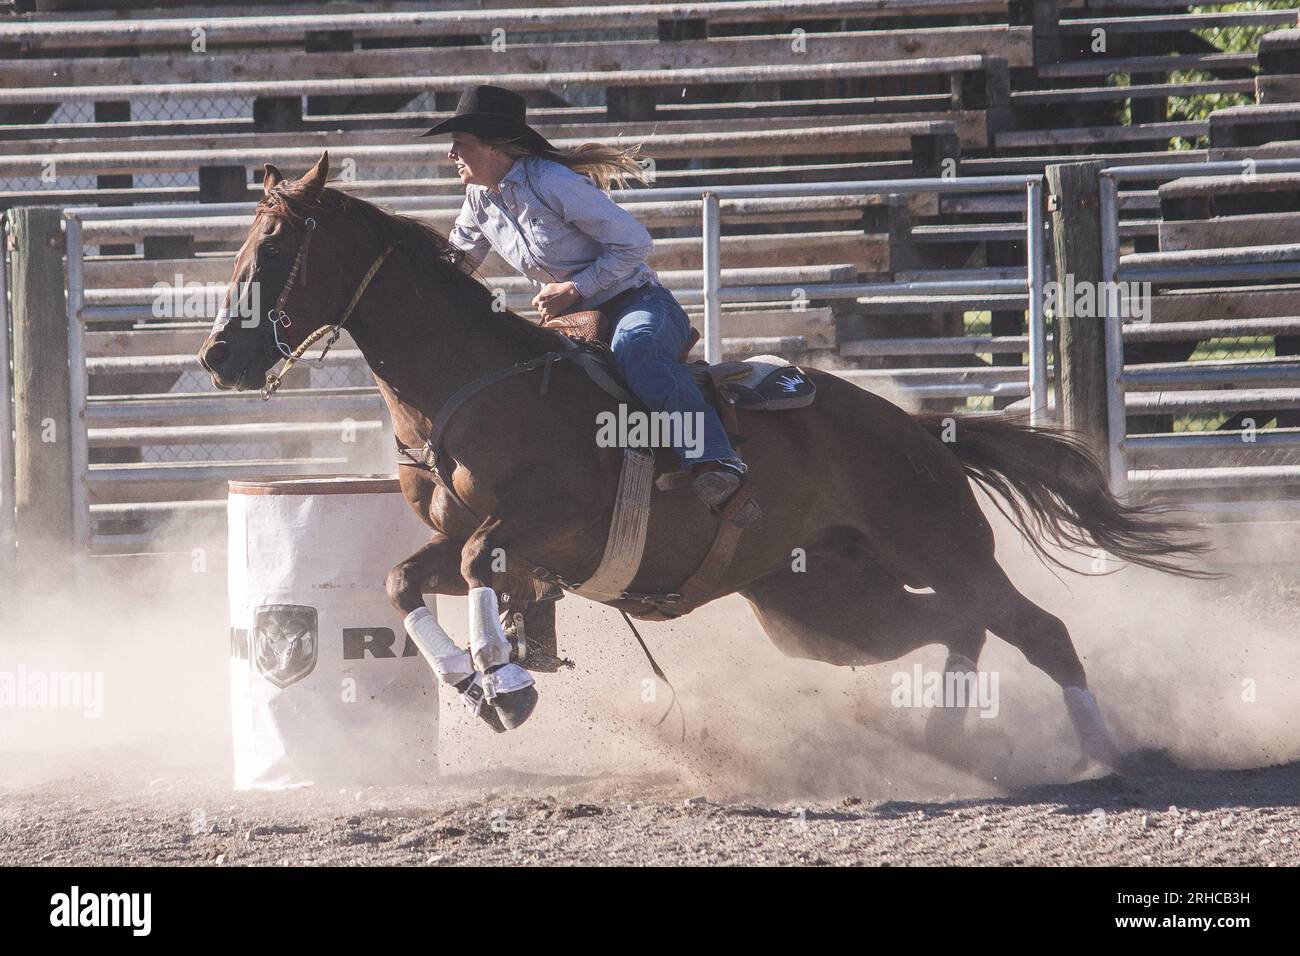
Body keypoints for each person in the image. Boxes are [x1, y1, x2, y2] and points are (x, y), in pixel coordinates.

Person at [420, 84, 749, 509]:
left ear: (492, 148)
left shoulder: (551, 180)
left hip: (636, 302)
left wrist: (575, 288)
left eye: (459, 144)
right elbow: (457, 263)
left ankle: (716, 459)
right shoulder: (479, 199)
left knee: (637, 348)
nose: (451, 155)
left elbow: (634, 243)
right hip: (569, 321)